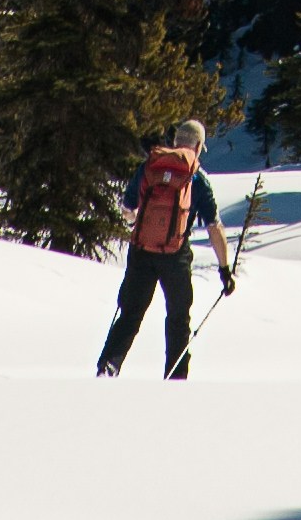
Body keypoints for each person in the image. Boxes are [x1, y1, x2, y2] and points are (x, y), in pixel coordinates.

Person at [93, 117, 236, 380]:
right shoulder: (197, 178)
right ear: (198, 145)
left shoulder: (150, 167)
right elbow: (214, 226)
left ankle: (108, 367)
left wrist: (142, 224)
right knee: (178, 319)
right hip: (176, 255)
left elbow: (127, 210)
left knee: (130, 314)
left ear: (176, 141)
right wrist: (225, 269)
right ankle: (175, 377)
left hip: (142, 250)